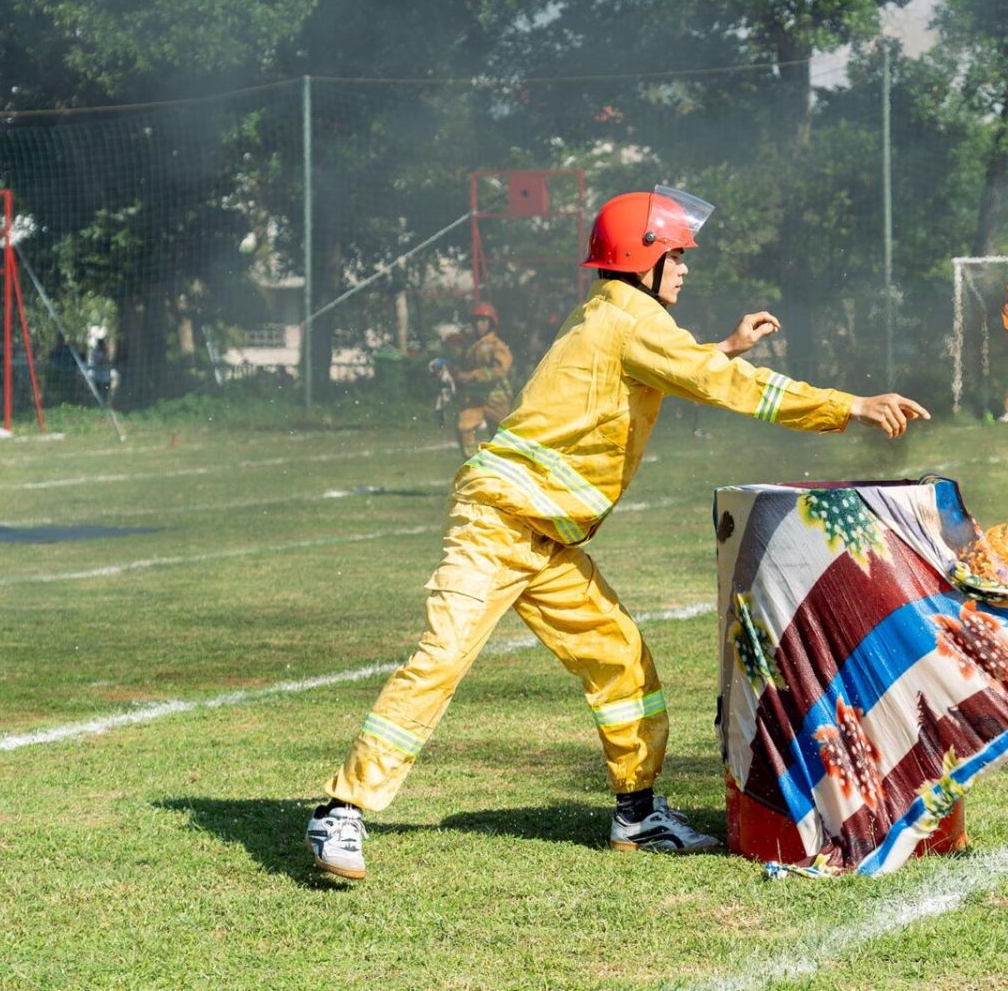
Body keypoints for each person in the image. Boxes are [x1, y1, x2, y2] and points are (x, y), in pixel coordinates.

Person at [307, 186, 931, 879]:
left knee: (620, 660)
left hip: (542, 537)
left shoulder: (610, 312)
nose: (685, 268)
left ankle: (637, 814)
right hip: (498, 523)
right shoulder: (633, 321)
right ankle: (341, 808)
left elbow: (670, 367)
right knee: (441, 659)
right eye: (677, 256)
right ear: (643, 258)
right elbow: (734, 389)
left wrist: (723, 346)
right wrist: (849, 406)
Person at [454, 303, 514, 455]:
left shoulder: (496, 345)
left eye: (483, 321)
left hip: (496, 398)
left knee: (504, 436)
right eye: (476, 321)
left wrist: (474, 375)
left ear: (491, 323)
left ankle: (506, 464)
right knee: (464, 428)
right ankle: (473, 463)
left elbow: (501, 370)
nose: (479, 324)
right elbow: (463, 369)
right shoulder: (470, 346)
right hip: (474, 398)